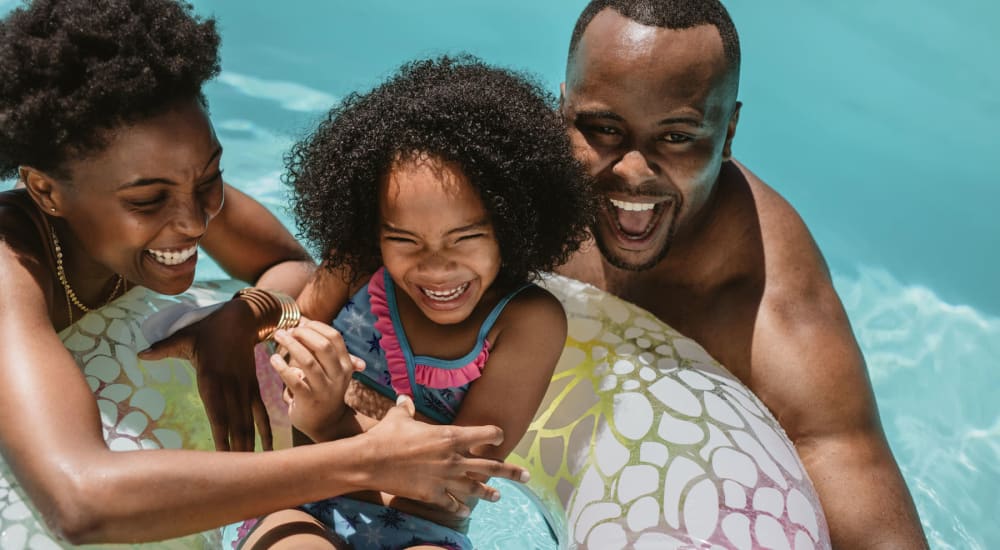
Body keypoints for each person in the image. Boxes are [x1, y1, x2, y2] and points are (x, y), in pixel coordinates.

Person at [0, 1, 529, 545]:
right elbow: (81, 501)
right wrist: (366, 458)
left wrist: (237, 318)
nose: (194, 219)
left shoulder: (175, 185)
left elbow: (289, 265)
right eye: (149, 200)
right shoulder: (9, 267)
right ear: (45, 190)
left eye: (210, 178)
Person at [553, 1, 928, 547]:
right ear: (562, 108)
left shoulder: (768, 310)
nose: (633, 171)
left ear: (728, 133)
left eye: (677, 136)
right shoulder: (513, 189)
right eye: (605, 128)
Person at [234, 56, 595, 549]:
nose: (435, 266)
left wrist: (334, 416)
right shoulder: (355, 263)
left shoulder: (526, 320)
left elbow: (458, 478)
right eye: (404, 239)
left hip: (426, 530)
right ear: (374, 231)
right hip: (300, 497)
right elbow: (283, 360)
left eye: (464, 237)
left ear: (511, 226)